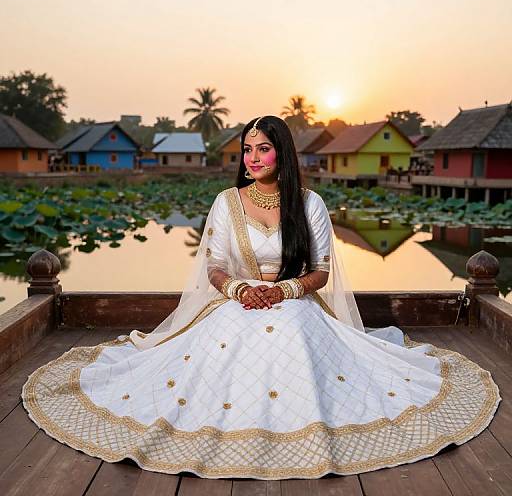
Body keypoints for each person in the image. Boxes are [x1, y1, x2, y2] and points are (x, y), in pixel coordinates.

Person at [22, 116, 500, 480]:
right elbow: (214, 266)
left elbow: (321, 272)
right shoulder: (226, 203)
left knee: (293, 332)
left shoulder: (309, 203)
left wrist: (283, 290)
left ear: (282, 154)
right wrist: (241, 289)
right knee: (229, 341)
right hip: (236, 300)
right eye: (247, 150)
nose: (252, 158)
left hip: (294, 301)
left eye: (263, 149)